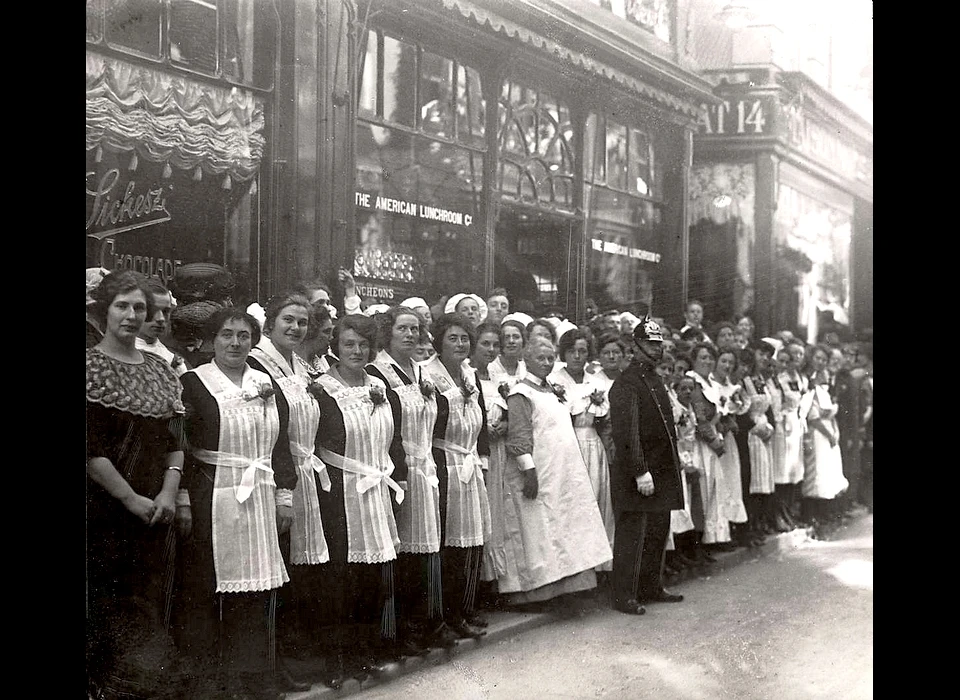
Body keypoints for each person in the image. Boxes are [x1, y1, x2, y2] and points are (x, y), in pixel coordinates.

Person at [175, 307, 297, 700]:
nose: (235, 343)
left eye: (243, 336)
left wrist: (283, 496)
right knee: (212, 586)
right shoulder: (193, 383)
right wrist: (183, 500)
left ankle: (258, 673)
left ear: (253, 341)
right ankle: (218, 680)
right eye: (226, 335)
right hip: (212, 495)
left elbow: (280, 447)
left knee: (259, 587)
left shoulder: (265, 383)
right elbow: (180, 445)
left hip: (259, 493)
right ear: (212, 340)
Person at [87, 271, 187, 700]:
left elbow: (176, 441)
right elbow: (90, 450)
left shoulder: (161, 372)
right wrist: (129, 498)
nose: (131, 315)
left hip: (155, 511)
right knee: (108, 610)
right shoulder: (89, 367)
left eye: (139, 308)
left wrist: (167, 493)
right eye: (122, 306)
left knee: (151, 602)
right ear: (104, 311)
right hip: (105, 511)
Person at [309, 314, 406, 685]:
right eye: (349, 343)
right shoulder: (320, 388)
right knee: (340, 577)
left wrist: (398, 481)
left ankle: (363, 651)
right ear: (336, 345)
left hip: (376, 489)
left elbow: (392, 442)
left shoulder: (379, 385)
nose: (356, 350)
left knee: (372, 575)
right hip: (339, 491)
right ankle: (336, 659)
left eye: (363, 344)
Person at [246, 293, 330, 686]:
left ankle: (294, 655)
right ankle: (274, 662)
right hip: (276, 475)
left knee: (301, 568)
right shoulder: (256, 363)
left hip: (305, 472)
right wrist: (284, 488)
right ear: (270, 323)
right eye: (288, 321)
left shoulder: (300, 365)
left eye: (301, 323)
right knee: (278, 566)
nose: (295, 328)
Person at [366, 307, 455, 654]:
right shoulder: (378, 372)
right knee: (402, 552)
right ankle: (400, 629)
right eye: (402, 328)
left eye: (415, 329)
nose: (410, 335)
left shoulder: (421, 372)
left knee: (429, 549)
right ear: (388, 332)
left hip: (426, 468)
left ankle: (430, 621)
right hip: (400, 470)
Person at [500, 336, 613, 605]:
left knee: (564, 526)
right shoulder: (520, 394)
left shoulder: (553, 390)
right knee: (539, 529)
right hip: (539, 470)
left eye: (551, 358)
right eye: (541, 358)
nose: (547, 363)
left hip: (563, 470)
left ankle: (566, 587)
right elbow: (519, 436)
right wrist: (529, 471)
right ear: (526, 360)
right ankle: (537, 591)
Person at [421, 313, 492, 638]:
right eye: (453, 338)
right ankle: (443, 616)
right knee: (446, 543)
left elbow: (481, 424)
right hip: (443, 462)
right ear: (439, 340)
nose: (461, 344)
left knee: (470, 542)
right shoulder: (428, 375)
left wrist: (482, 460)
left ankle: (464, 608)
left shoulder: (469, 375)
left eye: (465, 338)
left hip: (469, 463)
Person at [607, 316, 685, 615]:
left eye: (658, 344)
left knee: (657, 530)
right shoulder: (626, 384)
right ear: (635, 347)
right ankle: (624, 594)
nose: (657, 349)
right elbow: (628, 433)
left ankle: (651, 586)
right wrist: (640, 470)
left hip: (660, 469)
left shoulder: (652, 379)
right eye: (650, 344)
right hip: (638, 472)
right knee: (633, 534)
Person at [548, 329, 616, 577]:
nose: (577, 356)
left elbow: (604, 420)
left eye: (583, 351)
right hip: (568, 444)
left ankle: (599, 565)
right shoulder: (555, 380)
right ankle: (575, 568)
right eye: (572, 351)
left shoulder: (595, 383)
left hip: (593, 444)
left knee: (597, 501)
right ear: (564, 352)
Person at [468, 321, 511, 604]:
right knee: (479, 516)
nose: (491, 349)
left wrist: (505, 424)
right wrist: (485, 431)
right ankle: (477, 588)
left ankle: (494, 582)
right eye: (485, 344)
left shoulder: (498, 378)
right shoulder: (467, 376)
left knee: (498, 513)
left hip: (499, 454)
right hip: (477, 452)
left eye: (496, 345)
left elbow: (510, 412)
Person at [686, 343, 735, 549]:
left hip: (714, 441)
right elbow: (699, 417)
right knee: (702, 493)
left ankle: (711, 540)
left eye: (710, 358)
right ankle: (696, 544)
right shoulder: (694, 383)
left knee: (715, 490)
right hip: (700, 443)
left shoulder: (711, 383)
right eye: (703, 357)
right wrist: (713, 440)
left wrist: (722, 429)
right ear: (695, 359)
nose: (707, 362)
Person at [800, 345, 850, 539]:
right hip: (817, 433)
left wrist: (833, 431)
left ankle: (822, 515)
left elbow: (828, 413)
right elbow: (812, 416)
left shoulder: (823, 388)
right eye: (818, 359)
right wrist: (828, 433)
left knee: (827, 473)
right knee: (815, 472)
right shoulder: (810, 386)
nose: (821, 366)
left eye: (824, 361)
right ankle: (810, 516)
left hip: (828, 432)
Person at [712, 348, 750, 548]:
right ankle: (718, 532)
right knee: (719, 483)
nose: (726, 366)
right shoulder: (710, 385)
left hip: (728, 440)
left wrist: (732, 420)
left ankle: (730, 528)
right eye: (723, 361)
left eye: (730, 363)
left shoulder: (732, 387)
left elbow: (736, 410)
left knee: (731, 481)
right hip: (716, 438)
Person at [741, 342, 778, 539]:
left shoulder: (760, 379)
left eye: (768, 355)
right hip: (751, 433)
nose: (764, 358)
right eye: (761, 353)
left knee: (764, 477)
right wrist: (755, 427)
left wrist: (769, 427)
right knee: (753, 477)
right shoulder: (743, 379)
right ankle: (750, 525)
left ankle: (760, 521)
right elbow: (743, 409)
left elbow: (768, 408)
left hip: (764, 433)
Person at [834, 342, 873, 514]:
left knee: (852, 466)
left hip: (854, 427)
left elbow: (860, 406)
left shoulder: (854, 378)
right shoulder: (840, 378)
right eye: (846, 355)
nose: (849, 359)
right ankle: (841, 505)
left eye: (852, 356)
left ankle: (848, 502)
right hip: (841, 427)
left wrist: (859, 429)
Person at [775, 340, 809, 528]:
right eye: (793, 354)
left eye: (800, 354)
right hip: (783, 427)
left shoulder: (802, 378)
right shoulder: (780, 379)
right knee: (783, 471)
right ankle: (779, 514)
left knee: (795, 471)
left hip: (796, 426)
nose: (797, 358)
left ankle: (789, 512)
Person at [136, 277, 187, 377]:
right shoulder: (115, 353)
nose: (160, 318)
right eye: (152, 310)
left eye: (165, 312)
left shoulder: (172, 360)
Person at [295, 301, 336, 376]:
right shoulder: (292, 364)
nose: (331, 337)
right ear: (310, 332)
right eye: (326, 332)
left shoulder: (322, 362)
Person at [488, 317, 528, 383]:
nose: (511, 341)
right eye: (507, 337)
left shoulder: (526, 370)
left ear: (523, 341)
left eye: (516, 337)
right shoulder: (490, 368)